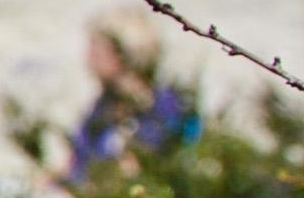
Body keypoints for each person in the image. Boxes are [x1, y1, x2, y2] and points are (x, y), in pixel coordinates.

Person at [62, 12, 201, 184]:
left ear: (123, 54)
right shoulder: (101, 110)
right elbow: (77, 163)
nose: (87, 58)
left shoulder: (168, 108)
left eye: (96, 50)